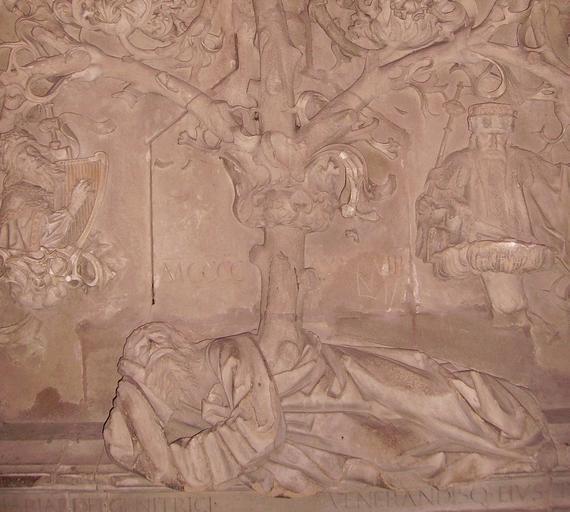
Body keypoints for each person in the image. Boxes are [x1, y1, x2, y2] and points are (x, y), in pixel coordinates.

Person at [416, 102, 569, 328]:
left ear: (509, 136)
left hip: (518, 239)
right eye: (488, 135)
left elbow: (556, 181)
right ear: (475, 135)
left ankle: (518, 323)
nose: (495, 141)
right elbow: (438, 202)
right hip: (478, 238)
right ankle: (513, 322)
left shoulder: (520, 159)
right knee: (510, 303)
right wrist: (434, 208)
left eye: (500, 135)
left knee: (514, 303)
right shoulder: (460, 161)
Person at [0, 129, 91, 252]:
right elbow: (40, 242)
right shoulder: (16, 198)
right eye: (22, 159)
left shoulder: (47, 184)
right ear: (16, 170)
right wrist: (72, 208)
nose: (32, 158)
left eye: (32, 151)